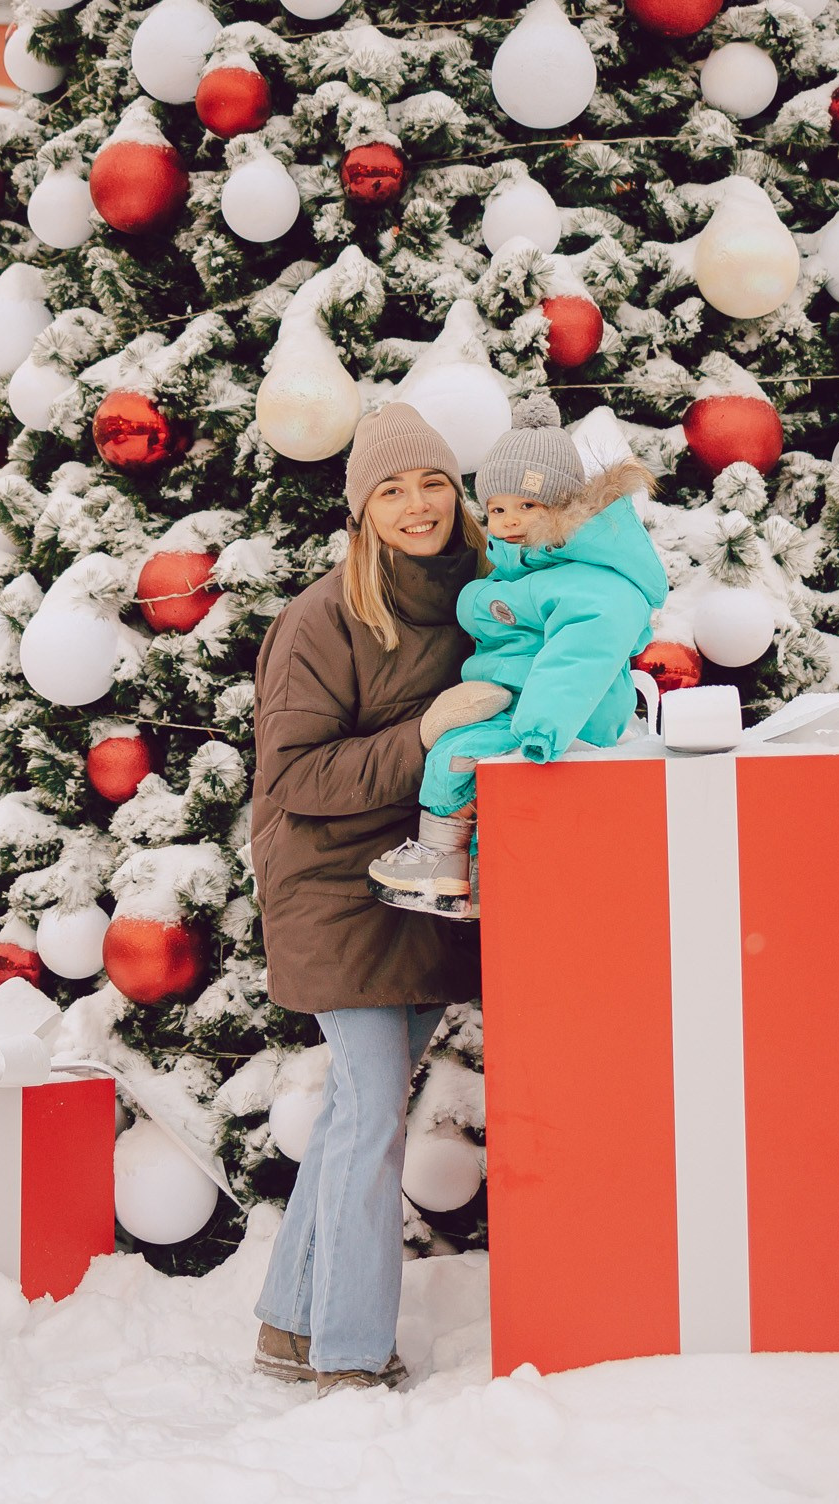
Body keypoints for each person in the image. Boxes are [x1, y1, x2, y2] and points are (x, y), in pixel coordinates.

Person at [247, 402, 505, 1394]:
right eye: (390, 490)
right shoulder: (324, 618)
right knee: (369, 1111)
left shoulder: (486, 598)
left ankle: (288, 1322)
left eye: (431, 482)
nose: (415, 505)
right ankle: (350, 1352)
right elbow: (297, 777)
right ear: (362, 511)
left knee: (367, 1103)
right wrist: (429, 730)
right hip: (330, 882)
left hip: (432, 875)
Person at [367, 423, 664, 916]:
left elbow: (580, 655)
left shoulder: (589, 581)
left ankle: (441, 860)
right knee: (463, 762)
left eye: (527, 507)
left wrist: (541, 728)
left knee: (456, 755)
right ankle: (475, 876)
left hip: (562, 722)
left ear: (564, 508)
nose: (508, 521)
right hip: (524, 708)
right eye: (499, 509)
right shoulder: (528, 568)